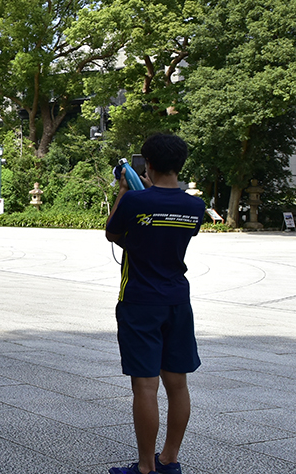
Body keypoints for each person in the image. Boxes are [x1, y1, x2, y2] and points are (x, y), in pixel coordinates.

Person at [105, 133, 205, 474]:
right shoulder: (195, 207)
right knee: (177, 385)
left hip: (139, 301)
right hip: (178, 300)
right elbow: (174, 230)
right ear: (181, 164)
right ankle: (170, 460)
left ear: (147, 164)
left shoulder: (135, 202)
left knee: (145, 386)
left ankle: (146, 467)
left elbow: (113, 234)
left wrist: (125, 189)